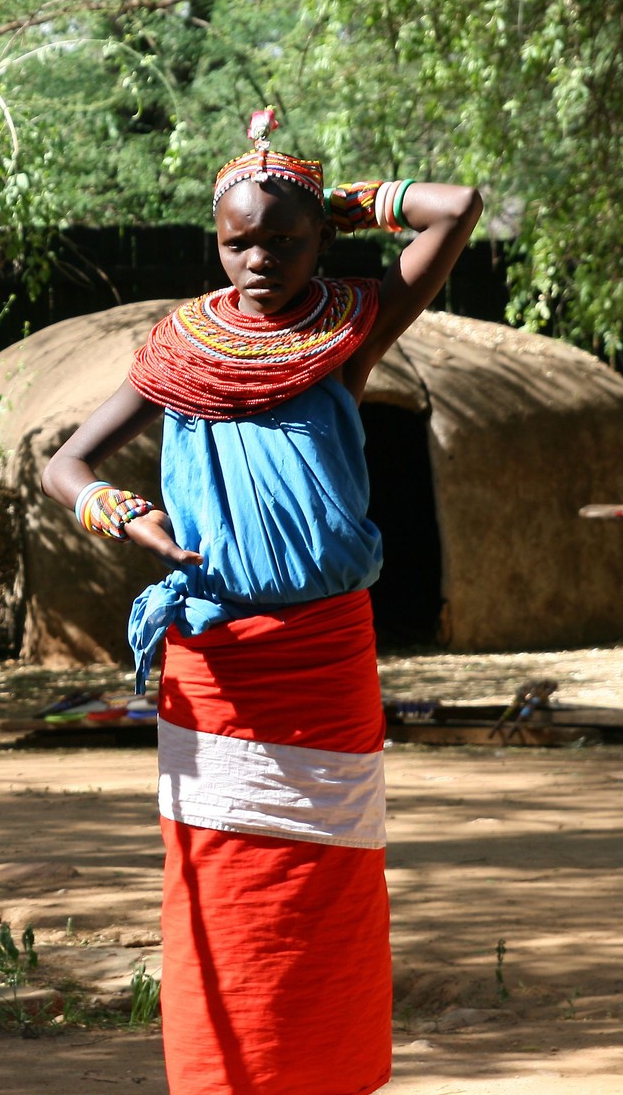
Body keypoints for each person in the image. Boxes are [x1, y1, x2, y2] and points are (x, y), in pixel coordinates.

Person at [41, 110, 482, 1095]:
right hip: (217, 662)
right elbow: (65, 465)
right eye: (241, 239)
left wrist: (330, 196)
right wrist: (124, 514)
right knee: (227, 894)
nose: (260, 258)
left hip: (325, 657)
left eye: (285, 239)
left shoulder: (346, 330)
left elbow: (455, 210)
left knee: (326, 893)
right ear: (216, 240)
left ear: (321, 236)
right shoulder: (178, 349)